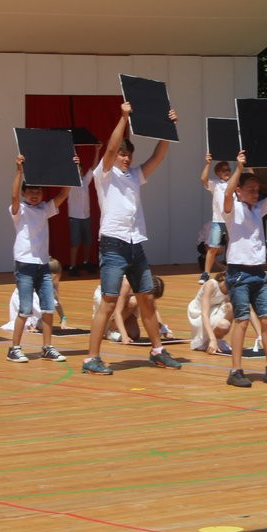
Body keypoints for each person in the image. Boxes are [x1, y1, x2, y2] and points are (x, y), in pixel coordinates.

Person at [83, 101, 181, 374]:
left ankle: (158, 351)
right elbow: (111, 147)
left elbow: (158, 157)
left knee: (147, 298)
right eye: (122, 154)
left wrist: (168, 128)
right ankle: (91, 357)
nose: (125, 158)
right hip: (113, 243)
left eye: (129, 155)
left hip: (135, 243)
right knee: (110, 300)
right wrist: (123, 117)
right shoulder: (103, 174)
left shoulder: (135, 176)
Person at [224, 150, 267, 387]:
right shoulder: (233, 209)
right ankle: (235, 370)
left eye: (257, 190)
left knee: (266, 320)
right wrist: (239, 168)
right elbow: (226, 193)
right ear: (239, 191)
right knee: (242, 320)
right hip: (239, 272)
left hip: (258, 272)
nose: (256, 193)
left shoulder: (258, 209)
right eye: (251, 190)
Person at [5, 155, 73, 364]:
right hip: (25, 265)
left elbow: (64, 193)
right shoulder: (19, 210)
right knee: (25, 309)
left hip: (42, 265)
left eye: (38, 191)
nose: (34, 195)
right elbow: (14, 197)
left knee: (48, 307)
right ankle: (14, 348)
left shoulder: (45, 209)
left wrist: (70, 169)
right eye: (31, 191)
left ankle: (47, 347)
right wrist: (19, 171)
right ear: (25, 193)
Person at [92, 277, 171, 343]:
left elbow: (154, 309)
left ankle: (115, 328)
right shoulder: (127, 283)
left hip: (126, 302)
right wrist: (124, 336)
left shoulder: (146, 287)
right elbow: (117, 312)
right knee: (134, 301)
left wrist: (164, 330)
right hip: (106, 298)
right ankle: (111, 331)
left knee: (134, 335)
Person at [66, 143, 101, 276]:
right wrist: (72, 161)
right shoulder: (69, 182)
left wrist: (97, 151)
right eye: (76, 169)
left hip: (86, 217)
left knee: (87, 241)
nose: (79, 171)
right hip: (74, 217)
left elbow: (94, 167)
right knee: (75, 243)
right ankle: (72, 266)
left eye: (80, 168)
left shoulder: (85, 181)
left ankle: (85, 262)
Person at [199, 155, 233, 284]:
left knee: (232, 247)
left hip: (232, 220)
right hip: (218, 220)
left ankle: (231, 271)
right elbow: (203, 179)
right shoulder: (215, 183)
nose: (227, 172)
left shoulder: (234, 183)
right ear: (218, 173)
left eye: (228, 169)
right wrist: (208, 164)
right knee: (213, 247)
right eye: (224, 170)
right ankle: (206, 274)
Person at [188, 273, 233, 354]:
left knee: (230, 311)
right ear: (223, 277)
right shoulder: (211, 284)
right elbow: (204, 314)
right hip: (199, 313)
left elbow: (248, 310)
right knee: (201, 345)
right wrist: (212, 339)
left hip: (214, 310)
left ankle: (218, 339)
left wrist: (259, 336)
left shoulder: (233, 289)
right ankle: (210, 340)